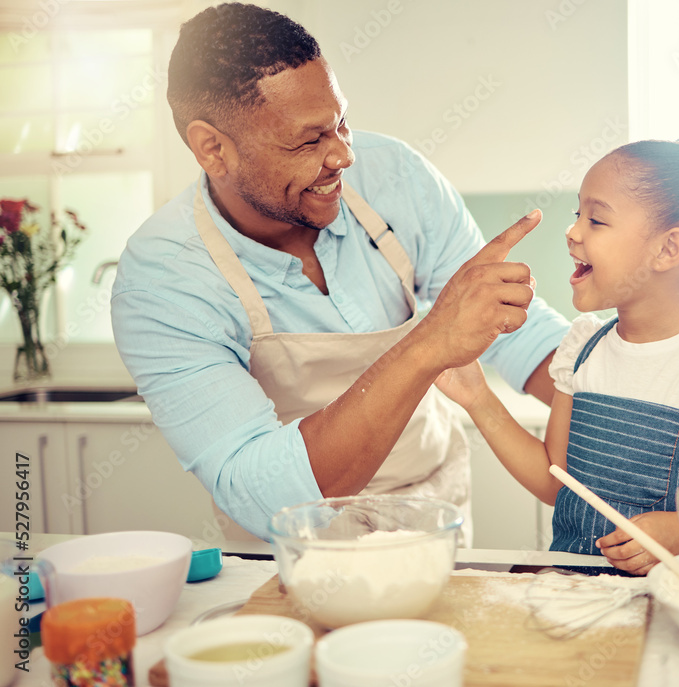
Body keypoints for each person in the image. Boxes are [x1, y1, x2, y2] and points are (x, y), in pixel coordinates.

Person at [109, 3, 569, 542]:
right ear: (213, 149)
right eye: (309, 141)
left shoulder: (394, 174)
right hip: (289, 549)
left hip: (431, 517)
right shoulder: (163, 280)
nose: (343, 156)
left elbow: (519, 335)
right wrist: (429, 343)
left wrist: (627, 393)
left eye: (341, 122)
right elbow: (255, 487)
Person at [435, 137, 679, 574]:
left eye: (596, 220)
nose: (572, 231)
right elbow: (556, 479)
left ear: (668, 249)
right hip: (574, 593)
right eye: (578, 215)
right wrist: (477, 397)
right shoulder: (582, 351)